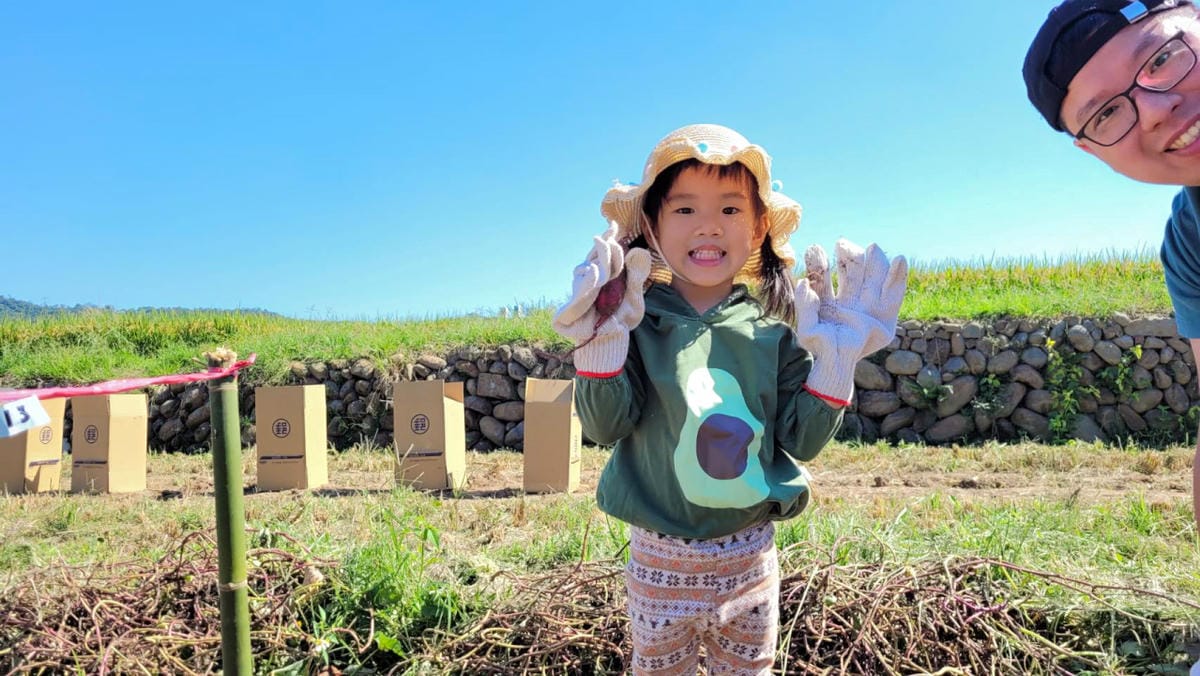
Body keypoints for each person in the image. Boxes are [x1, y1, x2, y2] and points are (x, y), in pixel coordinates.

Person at [552, 123, 907, 675]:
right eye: (685, 210)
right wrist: (601, 341)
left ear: (760, 225)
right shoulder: (632, 320)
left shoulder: (776, 328)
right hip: (657, 561)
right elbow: (605, 426)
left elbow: (801, 441)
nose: (709, 226)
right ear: (651, 224)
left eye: (731, 210)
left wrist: (836, 362)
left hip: (748, 562)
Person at [1023, 0, 1200, 526]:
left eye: (1162, 58)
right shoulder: (1190, 244)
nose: (1153, 108)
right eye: (1107, 114)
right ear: (1092, 151)